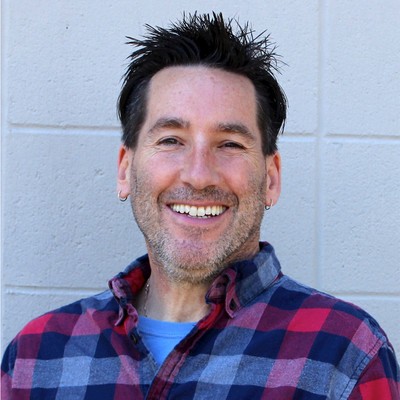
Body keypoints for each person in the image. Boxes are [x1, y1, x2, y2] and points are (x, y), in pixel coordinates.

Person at [1, 12, 399, 400]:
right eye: (171, 140)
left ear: (271, 179)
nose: (198, 175)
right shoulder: (35, 358)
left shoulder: (345, 356)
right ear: (125, 169)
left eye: (230, 144)